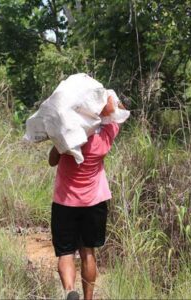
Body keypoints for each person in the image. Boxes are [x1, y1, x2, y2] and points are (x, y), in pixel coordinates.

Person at [48, 96, 122, 300]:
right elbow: (119, 113)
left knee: (65, 253)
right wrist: (108, 98)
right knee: (88, 252)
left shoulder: (67, 139)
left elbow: (52, 161)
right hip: (94, 202)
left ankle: (70, 291)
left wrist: (60, 138)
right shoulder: (104, 139)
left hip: (65, 203)